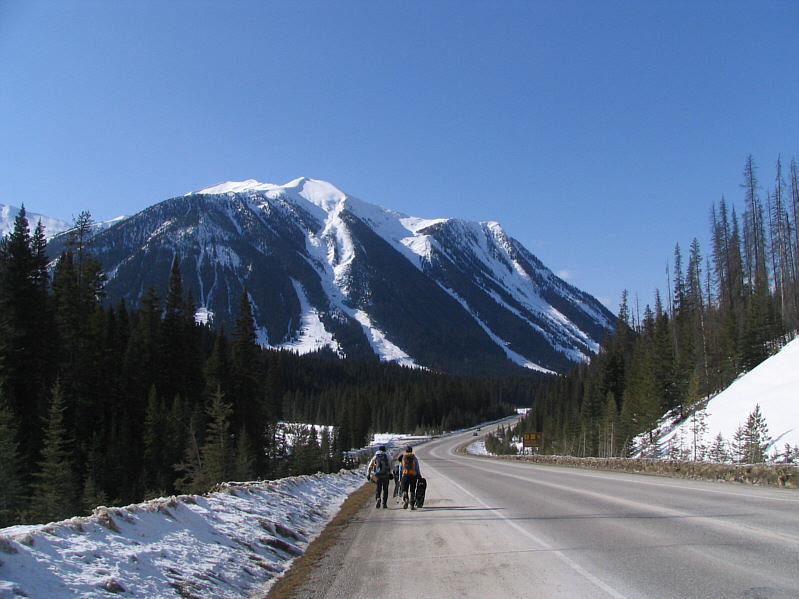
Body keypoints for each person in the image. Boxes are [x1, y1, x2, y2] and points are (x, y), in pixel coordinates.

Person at [399, 445, 421, 510]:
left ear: (405, 451)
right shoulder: (414, 458)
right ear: (411, 451)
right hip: (413, 476)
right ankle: (412, 505)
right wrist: (419, 474)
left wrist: (400, 478)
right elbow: (417, 467)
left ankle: (406, 498)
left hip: (405, 476)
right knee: (412, 490)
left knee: (404, 489)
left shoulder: (403, 458)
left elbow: (400, 468)